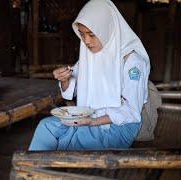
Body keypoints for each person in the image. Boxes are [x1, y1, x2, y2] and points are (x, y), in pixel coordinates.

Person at [29, 0, 150, 151]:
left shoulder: (133, 62)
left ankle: (43, 170)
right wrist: (65, 79)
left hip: (118, 125)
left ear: (107, 29)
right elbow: (71, 88)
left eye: (92, 34)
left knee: (73, 141)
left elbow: (131, 112)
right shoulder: (90, 56)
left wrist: (92, 122)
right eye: (82, 34)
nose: (86, 41)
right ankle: (32, 172)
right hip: (88, 118)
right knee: (45, 127)